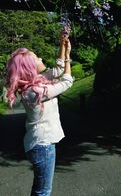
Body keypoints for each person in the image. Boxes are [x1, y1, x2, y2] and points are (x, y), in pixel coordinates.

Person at [6, 34, 73, 196]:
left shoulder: (34, 84)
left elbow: (57, 69)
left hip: (40, 145)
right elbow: (66, 81)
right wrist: (68, 60)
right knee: (43, 191)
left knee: (40, 189)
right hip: (42, 146)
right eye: (37, 58)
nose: (41, 57)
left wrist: (63, 47)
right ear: (29, 67)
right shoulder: (34, 92)